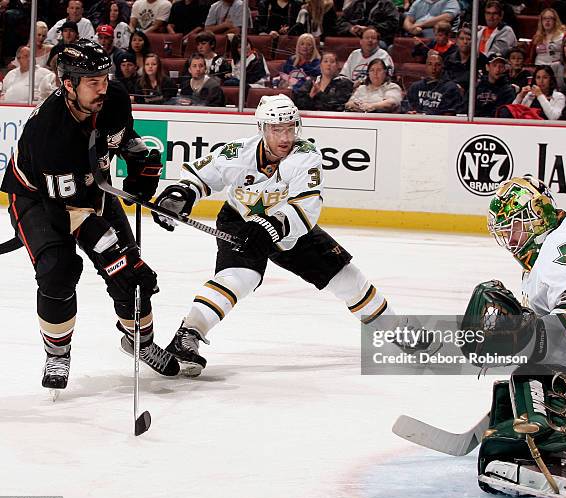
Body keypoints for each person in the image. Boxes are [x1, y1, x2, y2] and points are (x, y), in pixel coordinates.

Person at [150, 94, 403, 375]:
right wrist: (180, 194)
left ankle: (397, 334)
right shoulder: (238, 152)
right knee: (240, 278)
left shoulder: (306, 155)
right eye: (276, 129)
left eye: (289, 128)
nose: (285, 137)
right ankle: (187, 336)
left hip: (292, 227)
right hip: (240, 221)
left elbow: (306, 208)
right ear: (262, 129)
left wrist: (270, 227)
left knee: (348, 279)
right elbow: (200, 176)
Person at [0, 39, 179, 391]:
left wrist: (139, 158)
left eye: (104, 77)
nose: (103, 87)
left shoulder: (113, 97)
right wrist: (111, 250)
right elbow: (67, 212)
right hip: (40, 201)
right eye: (92, 81)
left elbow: (120, 136)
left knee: (131, 273)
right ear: (68, 84)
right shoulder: (48, 131)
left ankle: (139, 341)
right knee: (58, 271)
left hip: (92, 187)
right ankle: (57, 353)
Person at [467, 175, 566, 498]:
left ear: (538, 217)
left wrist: (523, 336)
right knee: (534, 371)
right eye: (504, 231)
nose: (510, 238)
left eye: (515, 227)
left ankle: (549, 460)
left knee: (540, 376)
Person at [403, 51, 463, 115]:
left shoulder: (450, 88)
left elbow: (449, 114)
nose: (433, 68)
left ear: (442, 67)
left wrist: (426, 116)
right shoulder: (415, 87)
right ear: (425, 66)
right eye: (430, 64)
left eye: (437, 65)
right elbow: (406, 107)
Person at [443, 26, 487, 93]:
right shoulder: (449, 59)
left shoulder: (481, 59)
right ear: (456, 41)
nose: (465, 42)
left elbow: (484, 81)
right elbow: (444, 79)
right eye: (461, 38)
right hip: (451, 93)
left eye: (469, 39)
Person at [474, 52, 516, 117]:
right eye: (494, 65)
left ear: (504, 69)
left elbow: (505, 113)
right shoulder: (477, 87)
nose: (498, 69)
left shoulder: (508, 90)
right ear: (487, 67)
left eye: (501, 66)